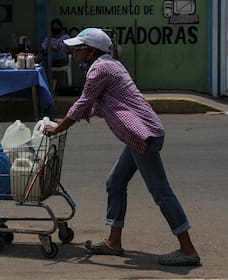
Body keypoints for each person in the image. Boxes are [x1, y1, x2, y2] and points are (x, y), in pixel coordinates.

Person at [43, 28, 200, 266]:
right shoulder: (109, 64)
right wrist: (67, 121)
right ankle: (113, 242)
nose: (74, 53)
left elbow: (83, 102)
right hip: (138, 135)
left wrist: (58, 128)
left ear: (91, 50)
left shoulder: (101, 68)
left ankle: (188, 250)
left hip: (142, 136)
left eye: (78, 49)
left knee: (160, 191)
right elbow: (97, 103)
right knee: (115, 182)